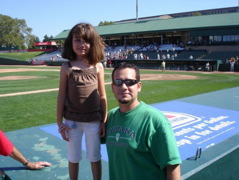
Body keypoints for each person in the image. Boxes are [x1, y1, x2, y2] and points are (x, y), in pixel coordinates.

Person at [105, 62, 181, 180]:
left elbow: (172, 165)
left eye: (130, 82)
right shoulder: (110, 117)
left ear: (139, 86)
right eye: (118, 82)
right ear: (113, 87)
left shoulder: (155, 120)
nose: (124, 87)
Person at [57, 23, 107, 180]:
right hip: (72, 122)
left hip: (93, 121)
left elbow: (103, 96)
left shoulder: (98, 66)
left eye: (86, 40)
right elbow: (61, 96)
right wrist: (60, 123)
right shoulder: (66, 67)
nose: (82, 44)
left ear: (93, 43)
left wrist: (103, 121)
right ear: (70, 42)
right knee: (73, 157)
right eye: (77, 40)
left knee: (94, 156)